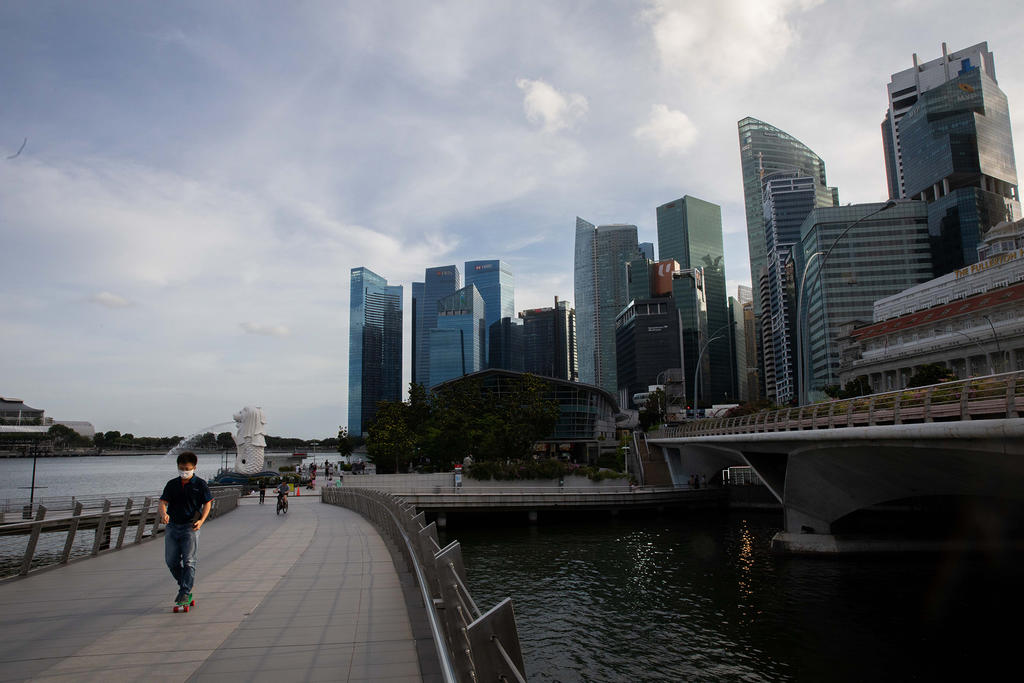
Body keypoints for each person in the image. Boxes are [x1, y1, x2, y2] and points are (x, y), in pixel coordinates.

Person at [158, 451, 213, 607]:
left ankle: (185, 592)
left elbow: (207, 503)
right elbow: (162, 502)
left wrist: (202, 521)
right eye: (181, 468)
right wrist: (164, 514)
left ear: (194, 467)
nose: (184, 471)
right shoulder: (172, 484)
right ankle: (186, 585)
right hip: (172, 526)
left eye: (187, 468)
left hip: (191, 526)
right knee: (171, 561)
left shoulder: (200, 484)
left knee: (189, 561)